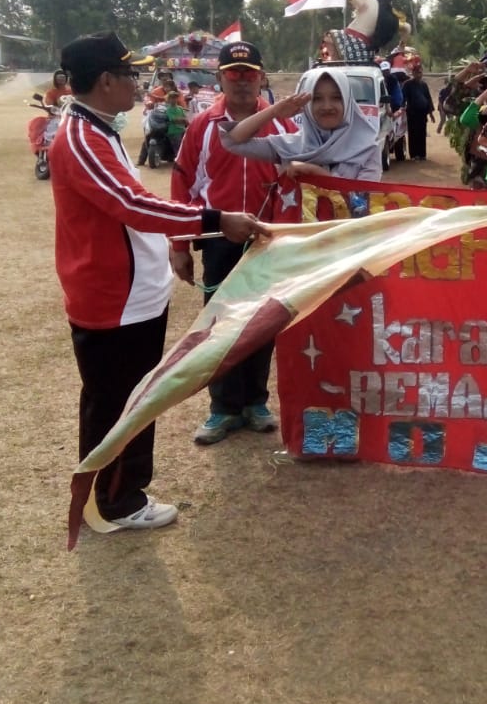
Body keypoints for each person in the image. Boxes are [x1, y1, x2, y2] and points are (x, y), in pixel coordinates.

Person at [50, 32, 263, 533]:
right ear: (106, 81)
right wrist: (214, 220)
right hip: (113, 299)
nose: (138, 83)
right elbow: (134, 207)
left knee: (128, 396)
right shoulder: (80, 138)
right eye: (130, 75)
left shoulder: (96, 130)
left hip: (133, 296)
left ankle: (113, 493)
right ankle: (117, 501)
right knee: (118, 401)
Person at [171, 41, 295, 445]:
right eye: (233, 73)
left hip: (268, 240)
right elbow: (182, 183)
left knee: (262, 322)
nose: (241, 81)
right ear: (220, 77)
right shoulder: (202, 126)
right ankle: (222, 408)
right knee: (220, 324)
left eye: (249, 73)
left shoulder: (282, 126)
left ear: (261, 77)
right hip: (219, 239)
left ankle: (255, 403)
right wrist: (179, 244)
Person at [221, 67, 383, 181]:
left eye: (336, 98)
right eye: (317, 99)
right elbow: (232, 141)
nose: (327, 106)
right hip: (297, 231)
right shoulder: (290, 146)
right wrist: (274, 111)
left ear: (348, 102)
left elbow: (364, 201)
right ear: (306, 104)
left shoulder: (367, 149)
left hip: (346, 231)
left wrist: (313, 172)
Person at [402, 63, 435, 161]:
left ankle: (422, 154)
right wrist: (402, 108)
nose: (419, 75)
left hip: (422, 113)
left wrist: (431, 114)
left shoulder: (424, 85)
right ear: (413, 73)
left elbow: (428, 98)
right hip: (412, 113)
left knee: (422, 133)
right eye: (417, 73)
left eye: (420, 72)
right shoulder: (407, 84)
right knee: (413, 134)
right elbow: (403, 98)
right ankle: (414, 155)